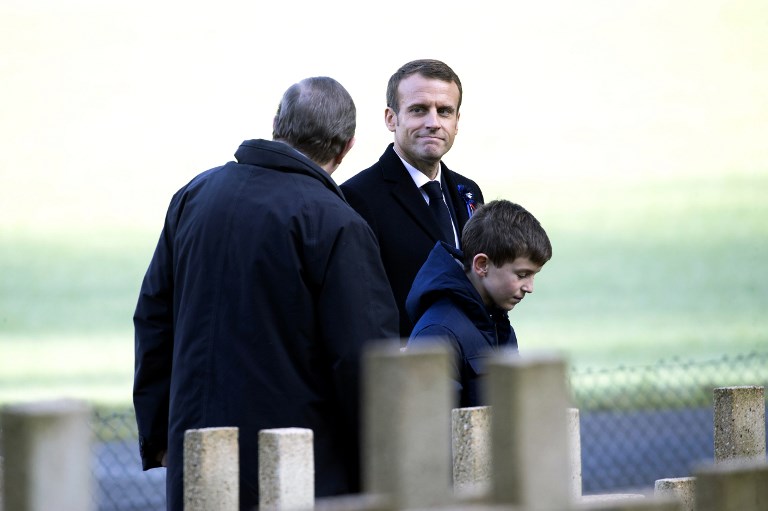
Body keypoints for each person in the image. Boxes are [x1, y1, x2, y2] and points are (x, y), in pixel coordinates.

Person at [132, 76, 399, 511]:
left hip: (197, 455)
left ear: (277, 122)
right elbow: (362, 359)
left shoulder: (195, 195)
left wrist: (161, 434)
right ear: (347, 146)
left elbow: (153, 317)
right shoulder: (337, 223)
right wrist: (380, 462)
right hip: (297, 471)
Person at [340, 59, 485, 339]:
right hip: (404, 370)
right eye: (419, 110)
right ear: (390, 118)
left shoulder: (468, 192)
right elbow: (356, 303)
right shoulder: (357, 198)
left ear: (457, 122)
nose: (433, 123)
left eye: (445, 111)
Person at [405, 200, 552, 407]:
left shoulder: (497, 322)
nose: (529, 287)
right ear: (482, 265)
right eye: (522, 275)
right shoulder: (437, 334)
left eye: (533, 275)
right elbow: (432, 431)